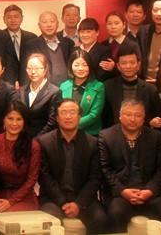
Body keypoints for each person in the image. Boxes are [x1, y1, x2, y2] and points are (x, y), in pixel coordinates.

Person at [99, 99, 161, 232]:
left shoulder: (155, 137)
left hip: (149, 192)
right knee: (115, 214)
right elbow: (105, 170)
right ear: (120, 115)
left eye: (137, 115)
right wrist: (123, 191)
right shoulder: (106, 137)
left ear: (143, 117)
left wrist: (149, 190)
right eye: (128, 114)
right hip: (121, 193)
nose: (133, 119)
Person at [38, 99, 108, 234]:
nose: (68, 116)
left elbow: (95, 178)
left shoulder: (92, 143)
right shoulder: (45, 142)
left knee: (100, 219)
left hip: (83, 198)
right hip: (53, 199)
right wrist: (62, 202)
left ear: (79, 117)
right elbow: (44, 177)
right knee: (50, 221)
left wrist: (78, 204)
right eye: (64, 113)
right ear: (57, 118)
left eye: (72, 112)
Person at [0, 101, 40, 211]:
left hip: (24, 197)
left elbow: (31, 180)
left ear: (24, 122)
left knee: (10, 215)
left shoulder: (33, 146)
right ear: (4, 120)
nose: (14, 123)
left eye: (19, 119)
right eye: (10, 118)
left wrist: (10, 201)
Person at [101, 43, 157, 128]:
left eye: (132, 62)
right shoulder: (107, 87)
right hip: (114, 133)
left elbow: (153, 118)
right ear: (118, 66)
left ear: (138, 65)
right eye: (124, 63)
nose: (128, 66)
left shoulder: (151, 90)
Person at [59, 49, 105, 136]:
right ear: (71, 66)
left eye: (84, 65)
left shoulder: (98, 86)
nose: (80, 68)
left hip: (90, 134)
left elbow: (94, 115)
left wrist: (72, 125)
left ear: (90, 66)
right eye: (76, 65)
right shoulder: (64, 86)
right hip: (66, 134)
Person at [23, 11, 74, 86]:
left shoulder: (68, 43)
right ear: (39, 25)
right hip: (43, 88)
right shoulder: (31, 45)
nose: (49, 25)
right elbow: (26, 71)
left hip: (67, 87)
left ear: (57, 24)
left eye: (52, 21)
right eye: (44, 22)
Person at [17, 53, 62, 137]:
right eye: (29, 68)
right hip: (22, 138)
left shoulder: (54, 92)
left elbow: (52, 122)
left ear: (45, 69)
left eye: (37, 68)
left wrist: (37, 140)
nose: (33, 72)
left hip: (44, 139)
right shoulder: (22, 91)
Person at [3, 4, 38, 77]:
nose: (13, 20)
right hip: (5, 79)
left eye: (16, 17)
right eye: (9, 17)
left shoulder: (32, 38)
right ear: (4, 19)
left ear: (22, 18)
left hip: (28, 78)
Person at [99, 10, 132, 80]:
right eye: (109, 23)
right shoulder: (103, 44)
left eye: (117, 23)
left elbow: (136, 68)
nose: (113, 27)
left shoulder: (131, 45)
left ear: (124, 25)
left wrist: (115, 68)